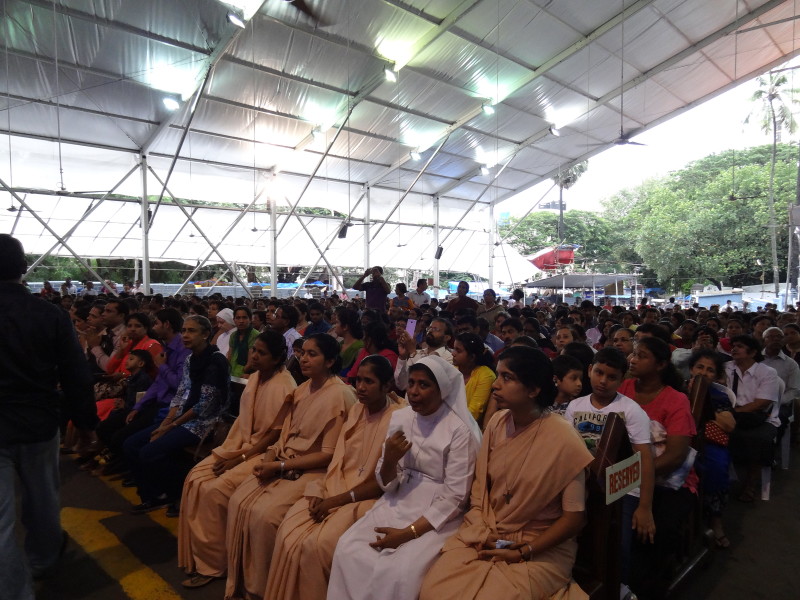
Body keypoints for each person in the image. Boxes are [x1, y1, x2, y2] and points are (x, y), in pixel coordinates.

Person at [420, 347, 593, 600]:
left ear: (533, 390)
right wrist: (484, 531)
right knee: (433, 591)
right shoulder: (497, 423)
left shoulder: (564, 439)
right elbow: (480, 490)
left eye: (507, 377)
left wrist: (524, 551)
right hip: (488, 533)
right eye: (498, 375)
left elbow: (573, 519)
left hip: (539, 546)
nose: (495, 385)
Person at [327, 355, 480, 600]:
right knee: (348, 549)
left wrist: (408, 533)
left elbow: (455, 497)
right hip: (398, 499)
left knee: (400, 571)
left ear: (442, 390)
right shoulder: (401, 418)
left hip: (437, 512)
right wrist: (389, 460)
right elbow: (387, 482)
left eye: (424, 385)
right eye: (411, 383)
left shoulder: (459, 430)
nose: (414, 392)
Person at [0, 235, 98, 600]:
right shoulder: (49, 314)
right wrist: (86, 425)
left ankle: (15, 592)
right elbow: (75, 373)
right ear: (24, 268)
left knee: (1, 522)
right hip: (38, 422)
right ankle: (42, 561)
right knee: (42, 501)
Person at [224, 334, 356, 600]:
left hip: (312, 471)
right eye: (303, 353)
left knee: (265, 516)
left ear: (330, 361)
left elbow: (328, 455)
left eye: (312, 354)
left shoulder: (339, 395)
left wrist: (280, 465)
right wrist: (270, 457)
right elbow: (283, 434)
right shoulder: (302, 389)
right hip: (284, 461)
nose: (304, 359)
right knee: (238, 500)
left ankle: (262, 588)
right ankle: (240, 581)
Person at [266, 356, 404, 600]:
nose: (360, 387)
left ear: (386, 386)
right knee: (288, 530)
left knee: (317, 546)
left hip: (365, 498)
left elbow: (381, 483)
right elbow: (338, 459)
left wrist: (335, 500)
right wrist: (323, 491)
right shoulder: (357, 410)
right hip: (334, 485)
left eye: (369, 382)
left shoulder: (398, 420)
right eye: (358, 380)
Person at [178, 330, 296, 588]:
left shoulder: (285, 387)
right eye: (254, 350)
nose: (254, 355)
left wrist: (240, 458)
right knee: (195, 478)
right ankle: (202, 555)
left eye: (261, 353)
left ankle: (216, 564)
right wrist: (234, 450)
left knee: (215, 491)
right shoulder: (255, 378)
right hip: (240, 444)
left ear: (277, 359)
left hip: (263, 452)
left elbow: (274, 436)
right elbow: (244, 422)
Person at [563, 347, 655, 590]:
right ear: (589, 370)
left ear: (622, 379)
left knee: (618, 544)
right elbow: (566, 448)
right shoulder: (575, 406)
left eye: (612, 377)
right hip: (583, 482)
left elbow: (645, 458)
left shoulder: (631, 410)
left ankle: (619, 587)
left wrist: (645, 507)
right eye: (599, 372)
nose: (603, 381)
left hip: (622, 488)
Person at [124, 315, 229, 515]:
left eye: (192, 331)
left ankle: (179, 492)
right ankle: (154, 494)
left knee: (149, 452)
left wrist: (170, 427)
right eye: (184, 331)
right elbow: (181, 393)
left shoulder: (216, 361)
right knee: (131, 445)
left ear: (206, 334)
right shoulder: (190, 359)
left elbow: (205, 405)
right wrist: (166, 421)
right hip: (183, 418)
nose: (185, 335)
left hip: (204, 423)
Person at [618, 337, 697, 598]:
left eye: (641, 356)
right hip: (626, 476)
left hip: (667, 480)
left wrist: (632, 476)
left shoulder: (675, 400)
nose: (632, 360)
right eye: (633, 354)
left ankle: (649, 586)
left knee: (656, 531)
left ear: (661, 364)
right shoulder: (624, 387)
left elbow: (675, 456)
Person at [724, 335, 780, 503]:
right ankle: (722, 478)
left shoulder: (767, 372)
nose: (734, 349)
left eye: (740, 346)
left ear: (753, 352)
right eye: (733, 345)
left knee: (758, 438)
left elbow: (762, 403)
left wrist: (735, 412)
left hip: (759, 417)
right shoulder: (727, 367)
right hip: (732, 414)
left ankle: (751, 482)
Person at [688, 349, 735, 549]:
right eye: (700, 367)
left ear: (716, 376)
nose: (703, 373)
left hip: (708, 442)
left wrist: (703, 406)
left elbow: (729, 425)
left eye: (710, 370)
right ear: (691, 369)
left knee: (716, 466)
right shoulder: (678, 388)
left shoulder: (719, 396)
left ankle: (715, 520)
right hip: (679, 438)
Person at [394, 317, 454, 391]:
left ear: (447, 337)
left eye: (435, 329)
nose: (430, 331)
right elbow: (401, 385)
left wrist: (412, 352)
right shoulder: (418, 353)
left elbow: (429, 383)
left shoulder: (449, 358)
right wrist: (402, 357)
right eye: (429, 328)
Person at [452, 332, 496, 424]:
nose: (453, 353)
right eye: (454, 349)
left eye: (458, 351)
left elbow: (474, 413)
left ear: (472, 357)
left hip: (469, 427)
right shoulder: (452, 370)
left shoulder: (486, 375)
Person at [227, 307, 259, 379]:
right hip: (232, 372)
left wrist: (240, 374)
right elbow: (229, 357)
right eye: (238, 318)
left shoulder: (255, 335)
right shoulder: (233, 335)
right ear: (234, 320)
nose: (241, 321)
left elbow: (250, 363)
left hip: (247, 373)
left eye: (244, 317)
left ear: (250, 319)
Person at [334, 307, 364, 377]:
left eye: (337, 322)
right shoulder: (340, 344)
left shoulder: (359, 349)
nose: (335, 325)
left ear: (345, 327)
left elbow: (358, 376)